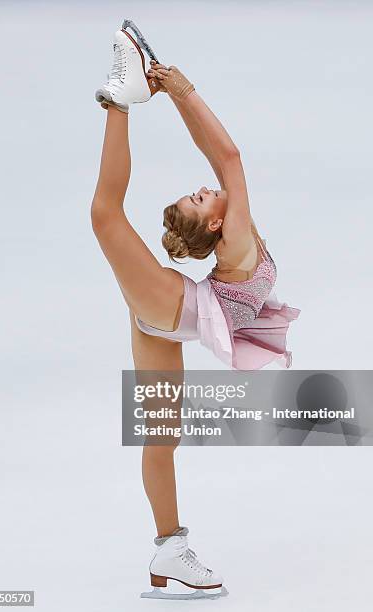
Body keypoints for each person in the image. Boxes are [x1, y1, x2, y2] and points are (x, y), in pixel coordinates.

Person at [91, 26, 299, 598]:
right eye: (201, 196)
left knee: (163, 440)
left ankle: (169, 551)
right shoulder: (233, 236)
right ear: (214, 224)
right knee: (105, 216)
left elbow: (223, 161)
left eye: (199, 191)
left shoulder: (232, 234)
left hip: (166, 322)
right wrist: (181, 91)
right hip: (173, 308)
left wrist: (181, 91)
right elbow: (228, 156)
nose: (207, 188)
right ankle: (119, 98)